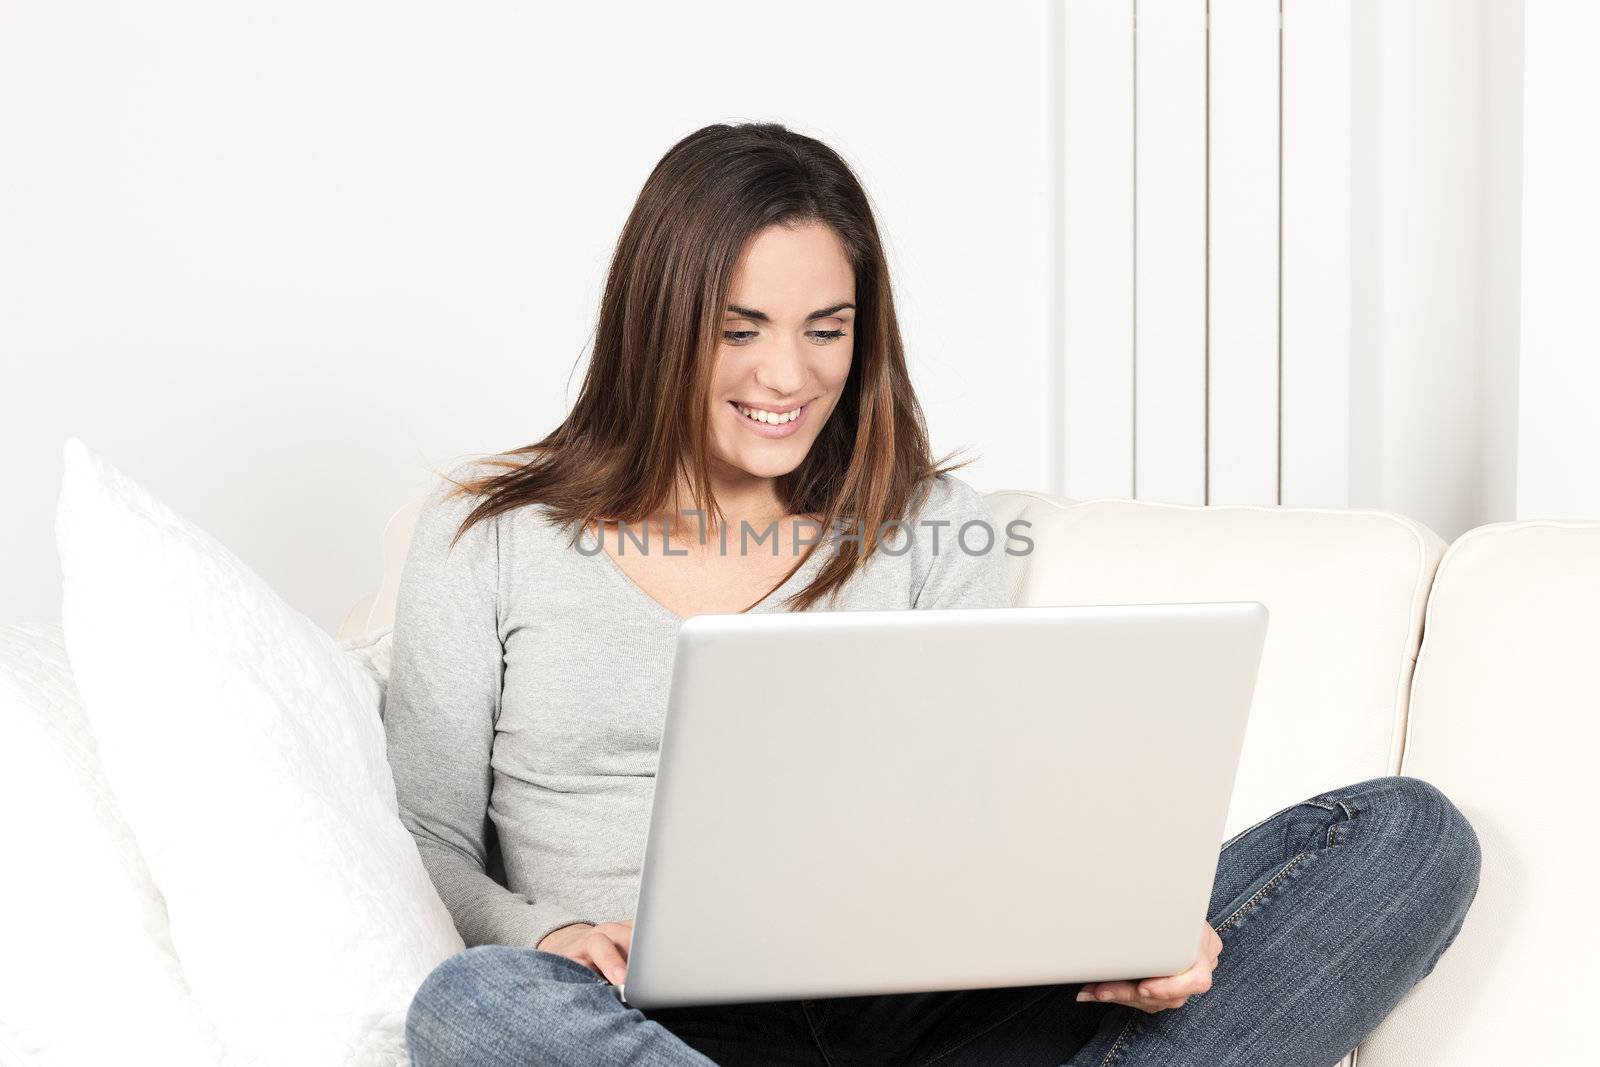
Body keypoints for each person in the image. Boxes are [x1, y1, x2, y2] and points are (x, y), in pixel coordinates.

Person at [384, 121, 1480, 1067]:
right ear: (656, 321)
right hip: (654, 1021)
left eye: (826, 328)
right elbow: (424, 836)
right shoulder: (491, 534)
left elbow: (979, 816)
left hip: (936, 1013)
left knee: (1404, 835)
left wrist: (1123, 927)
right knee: (474, 1006)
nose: (788, 377)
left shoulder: (931, 527)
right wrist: (545, 931)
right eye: (740, 328)